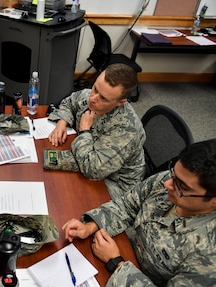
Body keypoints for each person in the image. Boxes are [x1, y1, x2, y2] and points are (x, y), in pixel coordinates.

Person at [62, 139, 216, 287]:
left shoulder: (210, 255)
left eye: (182, 186)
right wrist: (91, 225)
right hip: (126, 250)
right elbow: (128, 204)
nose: (167, 184)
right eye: (173, 173)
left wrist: (115, 262)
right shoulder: (170, 183)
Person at [46, 63, 146, 199]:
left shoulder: (126, 130)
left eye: (103, 98)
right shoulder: (94, 95)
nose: (92, 99)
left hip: (115, 185)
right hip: (88, 157)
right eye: (95, 88)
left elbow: (93, 170)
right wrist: (62, 122)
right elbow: (69, 103)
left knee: (64, 196)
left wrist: (84, 131)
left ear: (120, 102)